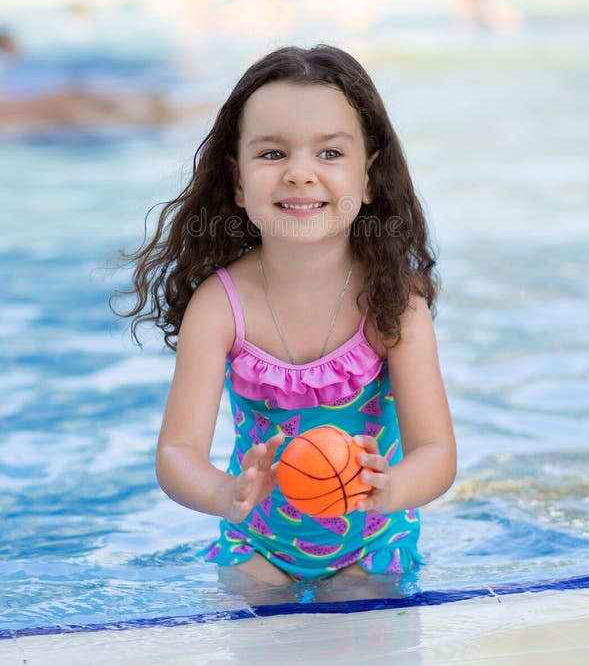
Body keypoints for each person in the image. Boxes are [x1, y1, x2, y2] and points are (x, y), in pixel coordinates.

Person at [119, 44, 456, 586]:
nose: (300, 174)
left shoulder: (395, 303)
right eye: (273, 154)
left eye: (329, 154)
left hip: (372, 545)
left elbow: (437, 453)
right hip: (255, 545)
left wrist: (392, 487)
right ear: (236, 179)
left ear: (369, 177)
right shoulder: (219, 306)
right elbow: (177, 452)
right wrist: (223, 493)